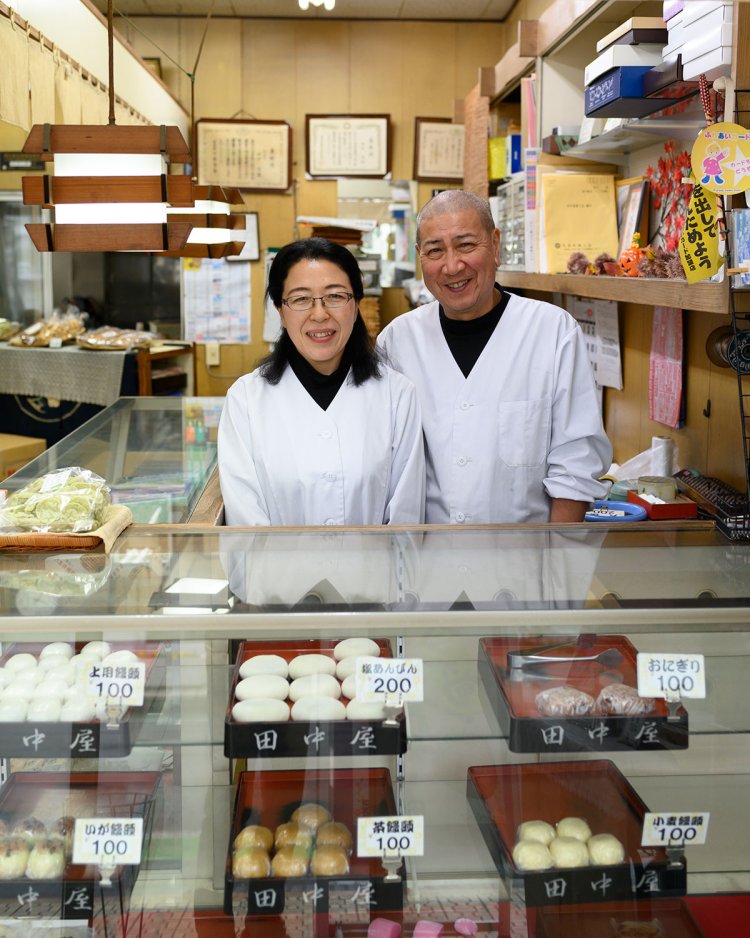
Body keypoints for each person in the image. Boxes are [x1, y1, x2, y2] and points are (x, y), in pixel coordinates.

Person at [378, 189, 612, 524]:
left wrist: (561, 565)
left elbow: (575, 465)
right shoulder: (397, 342)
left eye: (466, 245)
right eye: (434, 251)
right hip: (424, 562)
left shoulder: (552, 331)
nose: (452, 265)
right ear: (419, 257)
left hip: (521, 563)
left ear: (496, 244)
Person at [218, 237, 425, 526]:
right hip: (279, 572)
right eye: (301, 299)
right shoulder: (246, 401)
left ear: (355, 306)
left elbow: (406, 519)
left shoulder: (397, 395)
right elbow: (246, 524)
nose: (320, 314)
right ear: (281, 310)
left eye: (336, 296)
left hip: (374, 571)